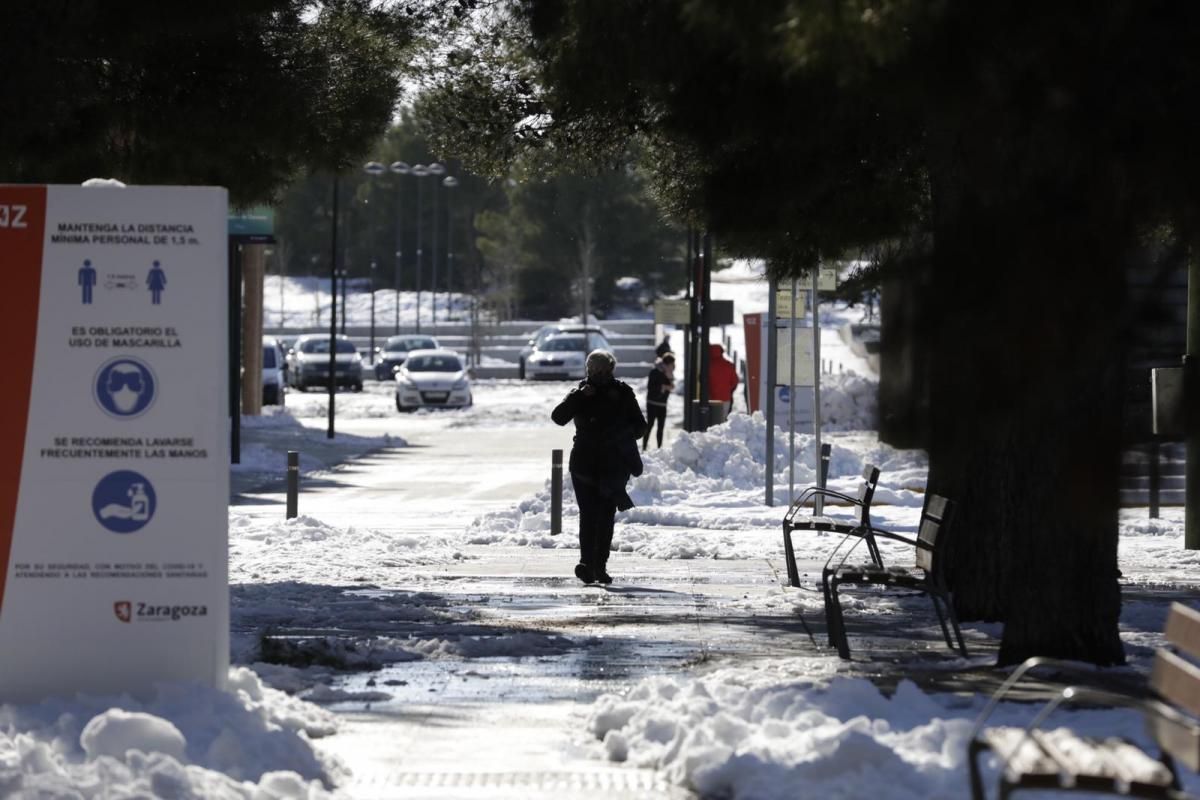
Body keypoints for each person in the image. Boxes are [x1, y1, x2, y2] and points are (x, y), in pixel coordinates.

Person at [552, 350, 646, 585]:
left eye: (604, 371)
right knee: (588, 515)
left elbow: (640, 427)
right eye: (595, 371)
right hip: (584, 466)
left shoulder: (623, 392)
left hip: (613, 467)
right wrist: (579, 397)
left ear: (612, 370)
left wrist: (621, 434)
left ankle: (599, 566)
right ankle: (586, 563)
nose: (600, 375)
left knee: (605, 516)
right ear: (588, 371)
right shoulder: (581, 393)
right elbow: (558, 417)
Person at [643, 352, 675, 450]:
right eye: (671, 364)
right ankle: (644, 447)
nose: (673, 366)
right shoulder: (655, 372)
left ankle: (659, 448)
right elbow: (651, 387)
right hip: (652, 403)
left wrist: (669, 382)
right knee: (650, 425)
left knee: (661, 427)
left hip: (662, 404)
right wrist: (663, 387)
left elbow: (671, 386)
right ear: (666, 364)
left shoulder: (669, 373)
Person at [707, 343, 739, 423]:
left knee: (712, 420)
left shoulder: (707, 366)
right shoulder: (729, 365)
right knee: (723, 420)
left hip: (711, 398)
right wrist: (729, 390)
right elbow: (735, 381)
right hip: (725, 397)